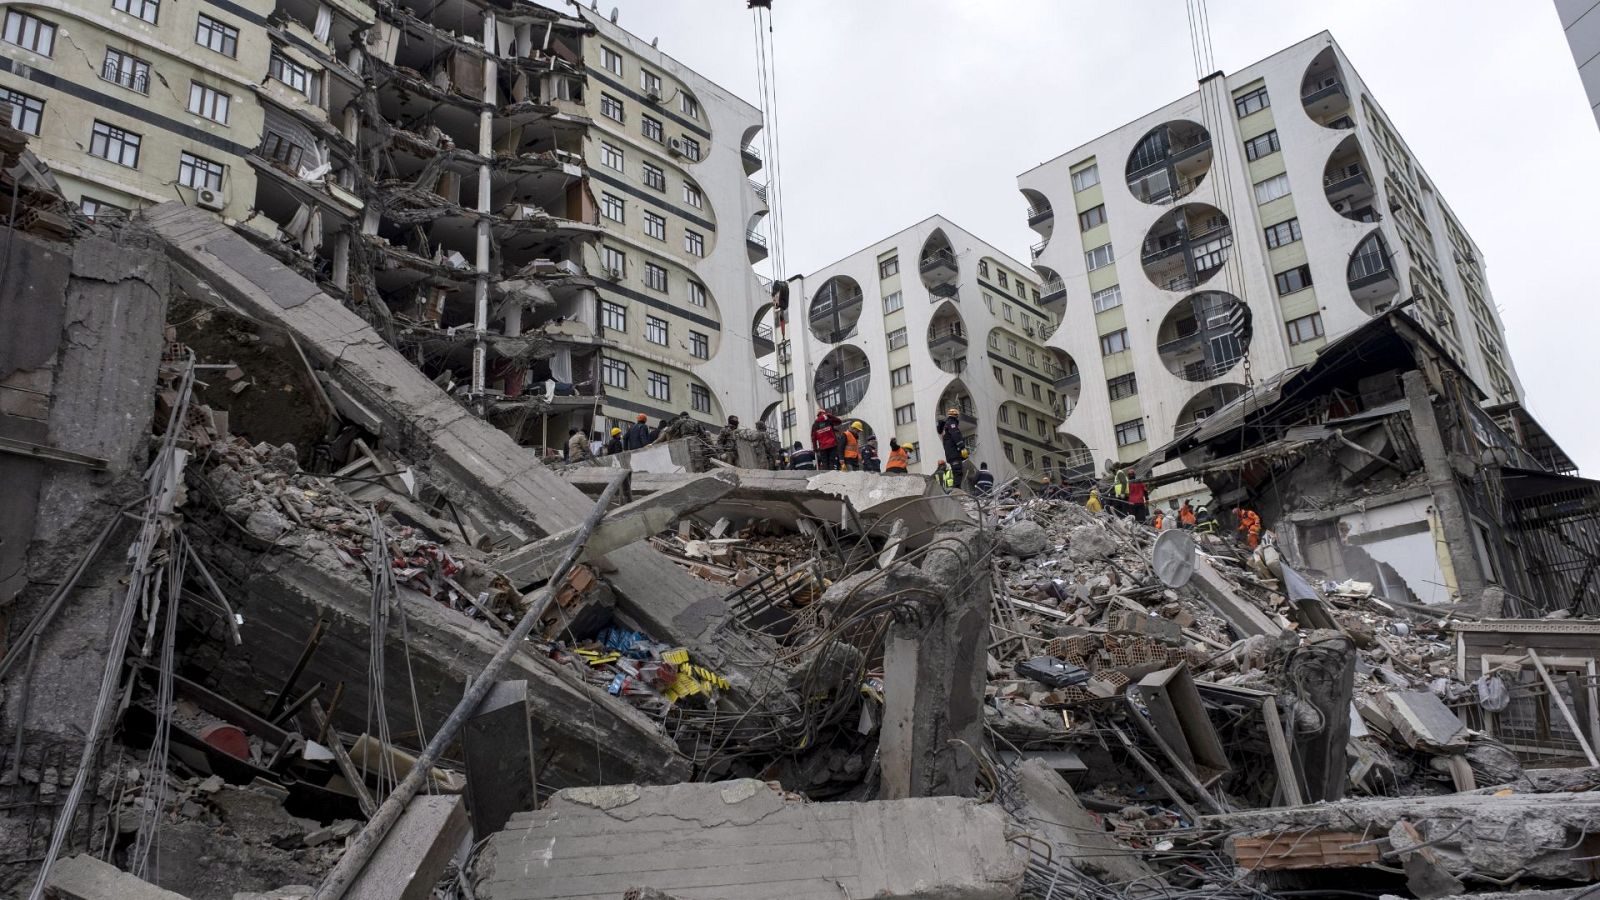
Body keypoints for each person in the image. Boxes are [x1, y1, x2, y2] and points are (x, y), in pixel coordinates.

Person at [935, 408, 966, 487]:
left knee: (956, 472)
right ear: (955, 416)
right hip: (954, 453)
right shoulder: (951, 423)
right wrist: (962, 447)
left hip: (950, 454)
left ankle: (956, 490)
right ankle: (957, 491)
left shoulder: (945, 426)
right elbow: (956, 435)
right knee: (958, 472)